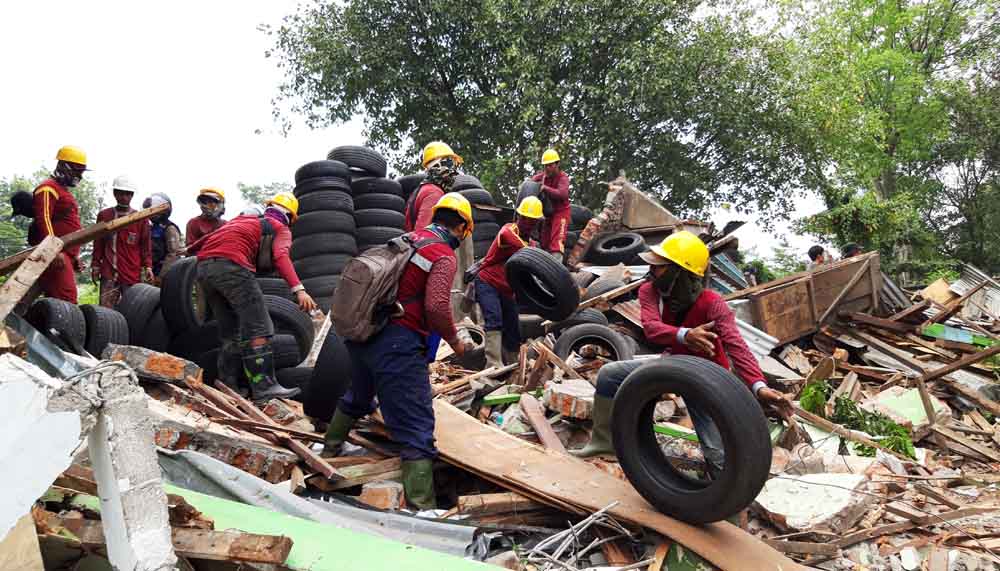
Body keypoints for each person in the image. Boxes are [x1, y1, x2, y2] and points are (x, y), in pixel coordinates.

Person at [571, 231, 793, 477]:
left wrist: (759, 387)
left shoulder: (712, 303)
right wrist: (685, 335)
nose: (651, 269)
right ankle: (604, 443)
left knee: (715, 448)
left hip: (707, 375)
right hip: (672, 364)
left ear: (680, 272)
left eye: (660, 266)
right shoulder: (649, 291)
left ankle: (726, 493)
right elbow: (653, 329)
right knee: (609, 374)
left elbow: (736, 346)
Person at [323, 193, 475, 510]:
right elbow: (435, 307)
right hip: (398, 343)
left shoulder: (405, 239)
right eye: (465, 231)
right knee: (417, 427)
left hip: (365, 335)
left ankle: (328, 452)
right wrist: (456, 341)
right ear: (461, 226)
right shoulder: (443, 254)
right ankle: (424, 511)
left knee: (359, 396)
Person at [189, 192, 318, 402]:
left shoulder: (243, 220)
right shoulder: (279, 228)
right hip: (232, 267)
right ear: (289, 216)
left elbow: (203, 241)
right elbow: (280, 256)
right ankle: (264, 387)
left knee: (231, 331)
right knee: (259, 327)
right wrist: (299, 289)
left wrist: (188, 249)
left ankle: (227, 387)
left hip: (203, 270)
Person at [475, 196, 544, 368]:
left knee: (513, 328)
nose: (527, 223)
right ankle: (493, 365)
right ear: (518, 217)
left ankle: (513, 365)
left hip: (507, 290)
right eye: (525, 219)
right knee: (494, 319)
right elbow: (511, 239)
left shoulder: (533, 246)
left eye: (532, 221)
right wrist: (535, 254)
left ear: (537, 223)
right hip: (487, 281)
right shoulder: (508, 231)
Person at [31, 145, 86, 303]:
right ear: (63, 166)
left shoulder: (62, 190)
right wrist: (52, 250)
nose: (79, 176)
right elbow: (44, 219)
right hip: (55, 254)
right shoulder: (47, 188)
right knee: (66, 301)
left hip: (64, 254)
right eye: (76, 171)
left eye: (81, 172)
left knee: (62, 301)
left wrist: (74, 256)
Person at [92, 176, 152, 307]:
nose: (124, 197)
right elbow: (98, 243)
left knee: (132, 310)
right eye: (121, 193)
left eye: (128, 194)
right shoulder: (104, 216)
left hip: (131, 274)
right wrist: (95, 265)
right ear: (114, 193)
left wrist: (148, 266)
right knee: (105, 311)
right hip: (109, 273)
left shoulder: (140, 218)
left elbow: (145, 246)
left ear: (132, 195)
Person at [404, 141, 462, 231]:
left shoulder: (424, 188)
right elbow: (422, 234)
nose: (454, 170)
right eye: (450, 163)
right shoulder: (434, 193)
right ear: (437, 165)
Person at [531, 149, 571, 257]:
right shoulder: (542, 176)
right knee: (544, 242)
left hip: (561, 213)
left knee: (557, 242)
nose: (547, 168)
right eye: (545, 166)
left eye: (550, 165)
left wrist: (545, 188)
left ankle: (555, 270)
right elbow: (530, 183)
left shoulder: (563, 178)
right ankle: (543, 268)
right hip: (548, 215)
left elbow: (562, 194)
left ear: (557, 164)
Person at [143, 193, 183, 281]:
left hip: (166, 274)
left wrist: (161, 277)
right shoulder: (151, 227)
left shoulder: (169, 228)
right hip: (153, 271)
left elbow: (173, 254)